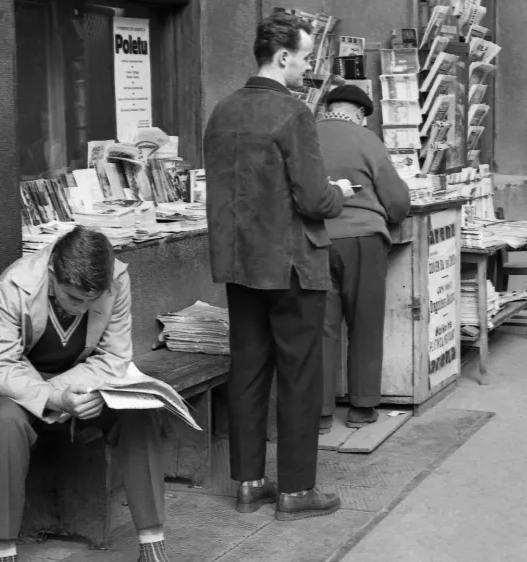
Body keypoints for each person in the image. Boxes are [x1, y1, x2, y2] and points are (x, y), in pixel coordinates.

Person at [203, 12, 351, 521]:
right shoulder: (292, 113)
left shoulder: (221, 112)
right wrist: (339, 194)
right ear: (283, 56)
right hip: (290, 265)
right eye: (306, 57)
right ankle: (295, 489)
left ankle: (248, 481)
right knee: (300, 376)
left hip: (240, 265)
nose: (307, 68)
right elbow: (312, 199)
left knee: (247, 371)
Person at [0, 226, 170, 562]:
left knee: (141, 411)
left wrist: (75, 392)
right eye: (74, 298)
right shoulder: (12, 285)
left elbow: (114, 357)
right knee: (4, 425)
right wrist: (54, 397)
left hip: (86, 381)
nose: (82, 308)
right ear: (51, 275)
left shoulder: (116, 279)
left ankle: (152, 545)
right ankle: (3, 552)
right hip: (19, 386)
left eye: (93, 300)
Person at [315, 85, 411, 433]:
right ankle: (362, 407)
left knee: (321, 328)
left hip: (315, 242)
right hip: (362, 241)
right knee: (365, 323)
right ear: (360, 114)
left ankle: (322, 413)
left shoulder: (305, 136)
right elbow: (397, 202)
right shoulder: (367, 140)